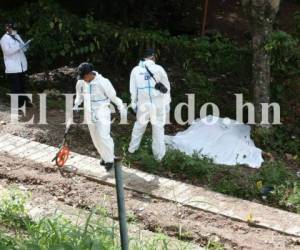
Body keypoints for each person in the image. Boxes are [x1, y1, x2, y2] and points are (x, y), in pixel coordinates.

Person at [73, 62, 126, 171]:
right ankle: (104, 156)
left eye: (83, 76)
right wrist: (76, 106)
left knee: (103, 135)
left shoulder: (103, 82)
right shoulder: (81, 82)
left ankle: (110, 160)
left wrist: (121, 107)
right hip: (88, 112)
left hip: (102, 111)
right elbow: (79, 96)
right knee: (95, 137)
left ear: (89, 74)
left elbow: (113, 96)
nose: (82, 79)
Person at [128, 48, 171, 160]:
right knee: (158, 130)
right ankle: (159, 157)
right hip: (158, 104)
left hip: (143, 104)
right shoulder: (159, 69)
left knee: (139, 127)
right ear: (153, 57)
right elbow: (167, 88)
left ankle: (132, 150)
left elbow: (133, 90)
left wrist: (133, 103)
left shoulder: (136, 70)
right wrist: (167, 104)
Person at [0, 22, 33, 108]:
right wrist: (19, 46)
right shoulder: (4, 39)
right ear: (8, 29)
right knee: (16, 88)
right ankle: (17, 105)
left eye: (15, 29)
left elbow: (23, 48)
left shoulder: (17, 36)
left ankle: (24, 102)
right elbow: (7, 52)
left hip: (21, 66)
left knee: (22, 86)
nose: (15, 31)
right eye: (13, 29)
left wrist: (26, 46)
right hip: (12, 67)